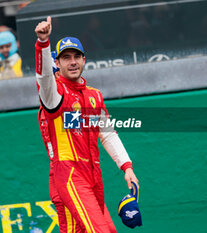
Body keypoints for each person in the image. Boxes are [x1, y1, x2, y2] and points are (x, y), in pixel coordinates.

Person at [34, 16, 139, 233]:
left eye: (76, 56)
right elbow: (44, 79)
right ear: (57, 62)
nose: (72, 62)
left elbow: (108, 135)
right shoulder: (54, 94)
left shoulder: (95, 96)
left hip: (92, 175)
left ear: (84, 60)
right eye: (66, 58)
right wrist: (43, 43)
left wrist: (126, 167)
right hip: (69, 174)